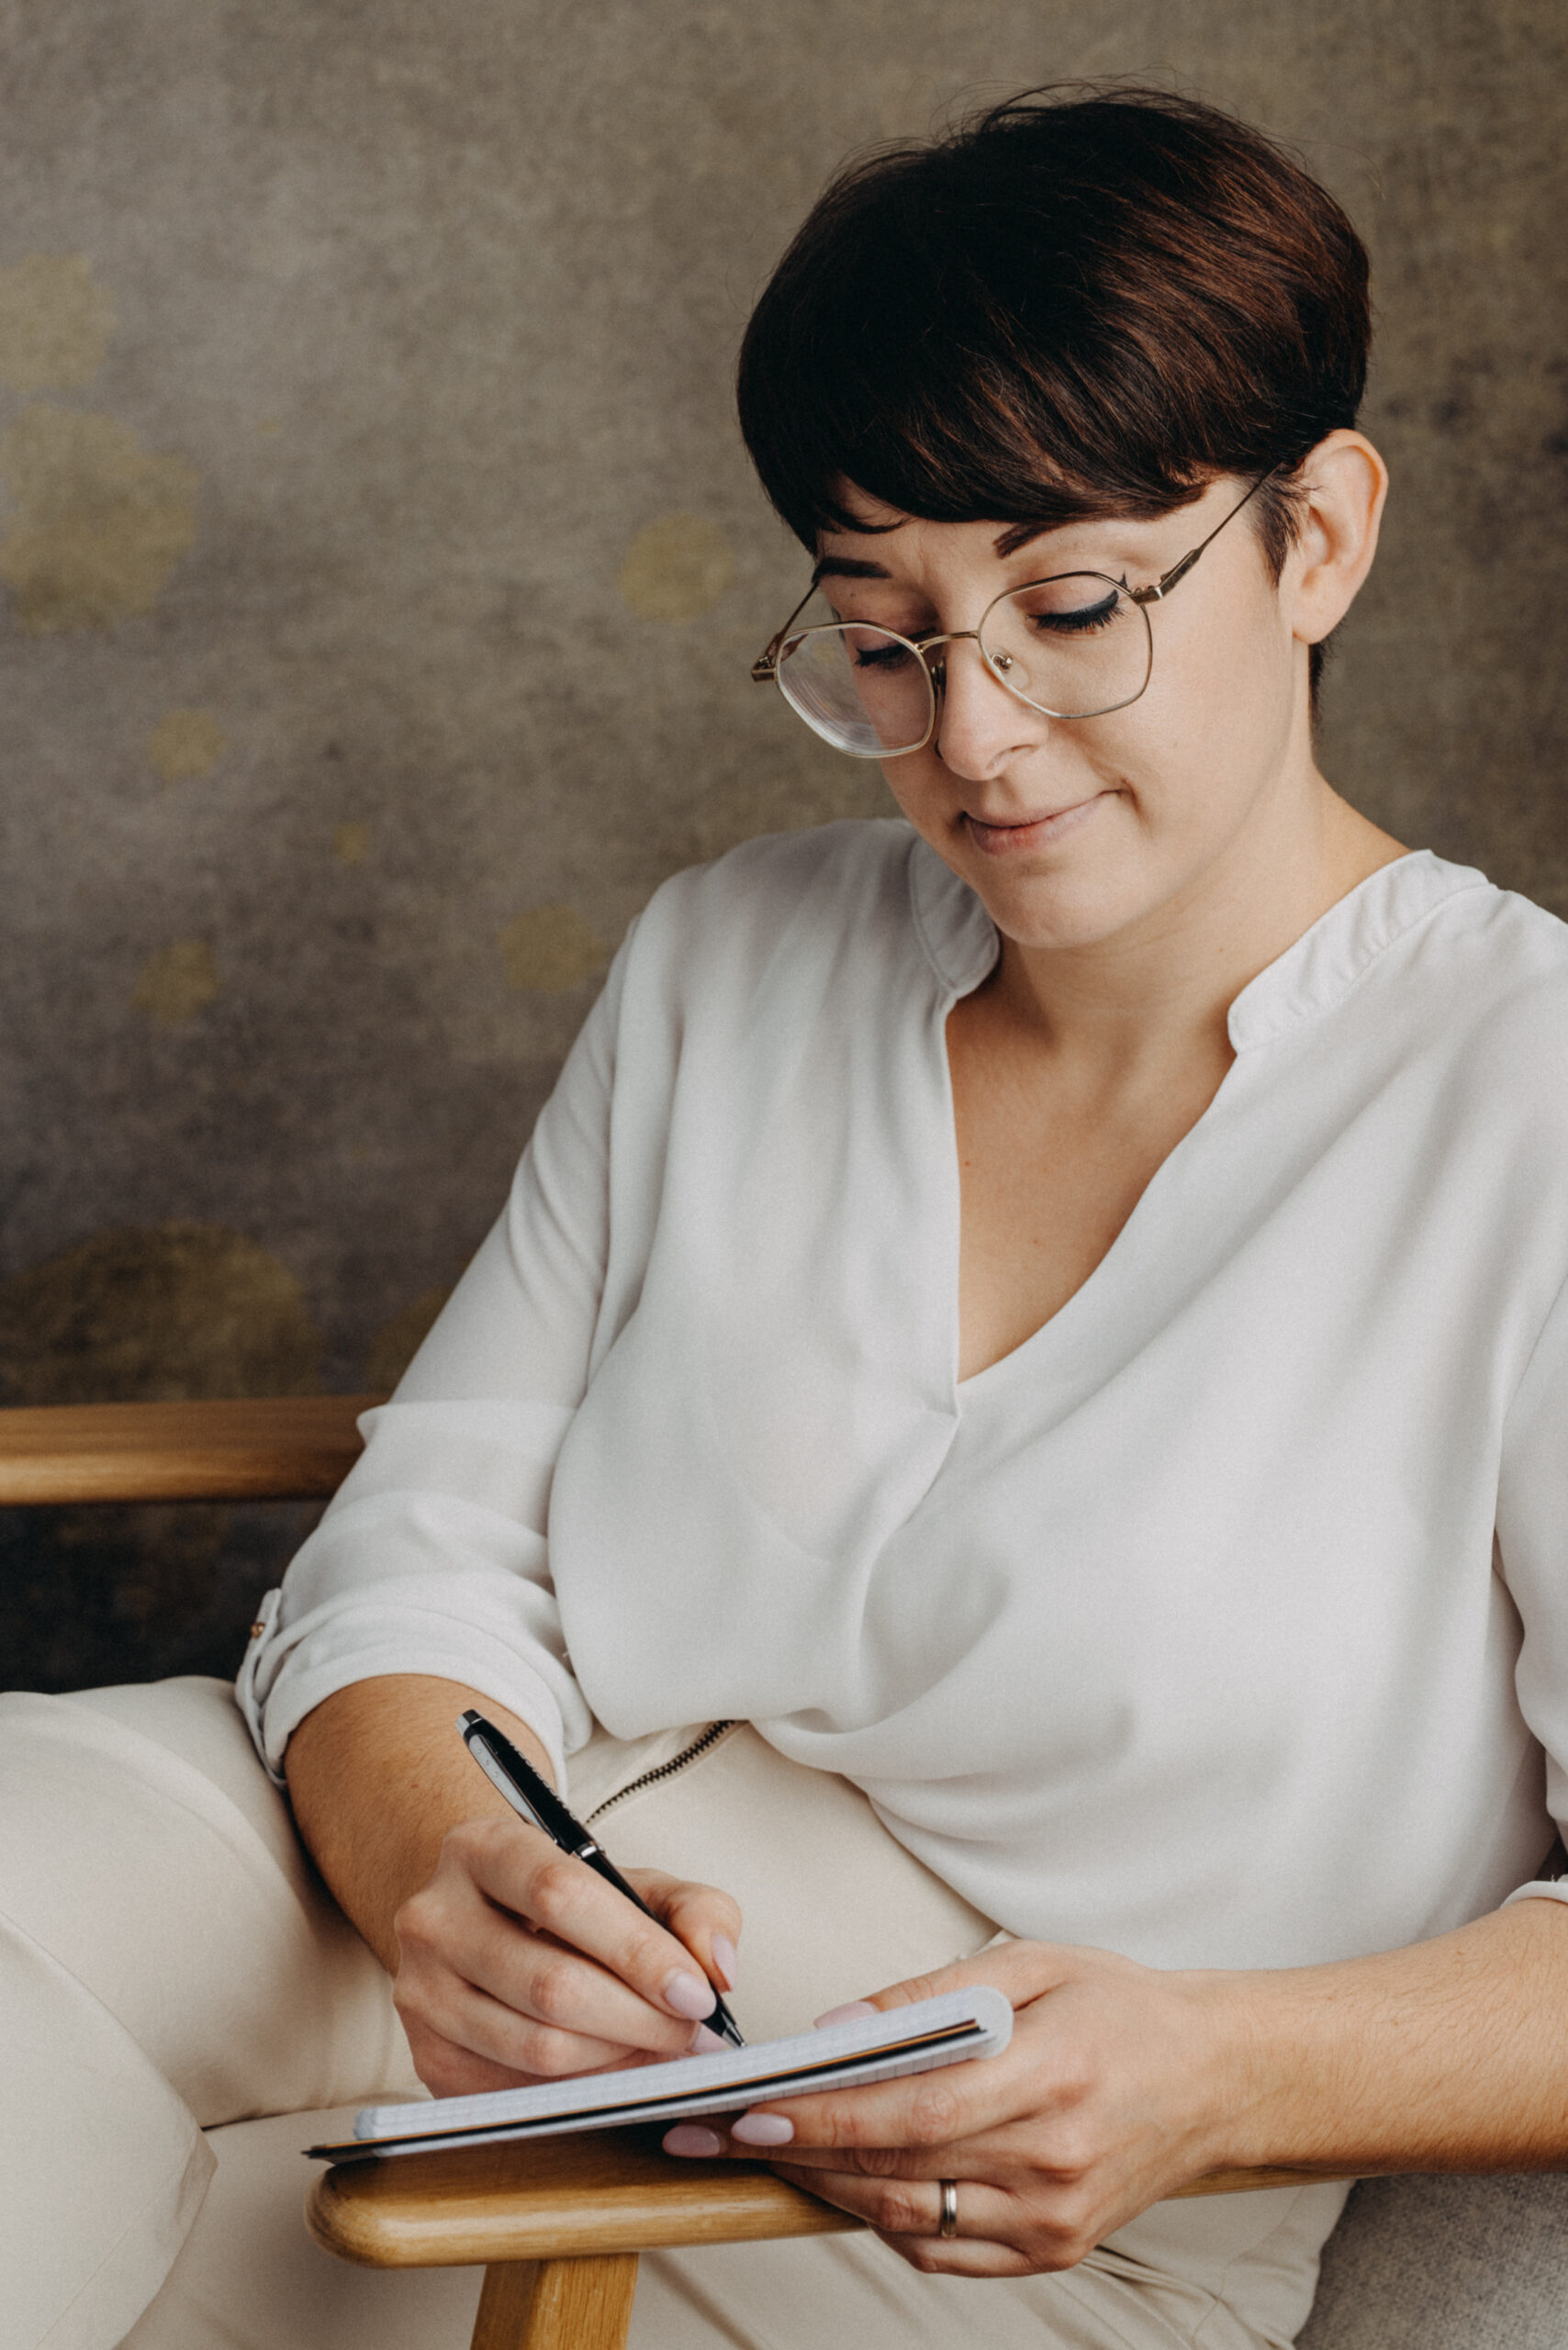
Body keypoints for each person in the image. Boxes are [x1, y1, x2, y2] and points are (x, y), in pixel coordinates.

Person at [5, 84, 1567, 2350]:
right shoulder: (732, 953)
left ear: (1313, 535)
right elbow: (421, 1542)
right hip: (550, 1892)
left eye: (1065, 603)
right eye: (882, 632)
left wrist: (1220, 2077)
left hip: (1009, 2172)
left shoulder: (1524, 1095)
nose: (978, 733)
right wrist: (444, 1869)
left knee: (211, 2272)